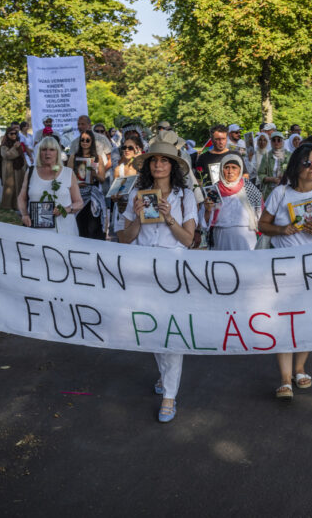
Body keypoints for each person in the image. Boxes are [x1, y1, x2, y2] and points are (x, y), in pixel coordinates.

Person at [117, 131, 198, 423]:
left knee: (172, 331)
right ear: (148, 165)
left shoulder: (185, 196)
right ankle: (165, 377)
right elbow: (124, 239)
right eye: (154, 160)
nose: (159, 165)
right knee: (150, 328)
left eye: (165, 160)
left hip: (172, 271)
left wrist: (169, 218)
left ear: (173, 166)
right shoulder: (136, 196)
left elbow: (188, 240)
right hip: (142, 268)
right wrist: (138, 217)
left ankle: (169, 397)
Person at [258, 144, 312, 401]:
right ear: (297, 166)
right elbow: (262, 224)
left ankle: (300, 369)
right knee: (284, 319)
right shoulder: (281, 193)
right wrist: (282, 231)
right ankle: (284, 380)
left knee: (308, 320)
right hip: (283, 269)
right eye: (308, 163)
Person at [18, 136, 84, 235]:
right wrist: (24, 215)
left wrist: (64, 210)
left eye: (52, 150)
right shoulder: (31, 171)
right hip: (37, 232)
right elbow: (21, 198)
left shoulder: (68, 173)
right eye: (44, 149)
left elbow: (79, 203)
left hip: (64, 231)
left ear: (57, 152)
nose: (47, 153)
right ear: (39, 152)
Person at [200, 154, 262, 250]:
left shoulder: (249, 188)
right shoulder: (214, 190)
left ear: (240, 170)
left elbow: (260, 213)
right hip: (221, 238)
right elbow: (205, 221)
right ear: (221, 169)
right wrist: (208, 210)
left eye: (234, 168)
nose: (230, 172)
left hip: (246, 239)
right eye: (226, 167)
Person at [67, 129, 108, 239]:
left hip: (93, 195)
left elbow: (102, 179)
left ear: (92, 142)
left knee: (93, 226)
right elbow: (67, 176)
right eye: (82, 140)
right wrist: (76, 184)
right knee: (79, 225)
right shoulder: (73, 157)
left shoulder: (97, 158)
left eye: (87, 140)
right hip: (77, 194)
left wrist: (94, 174)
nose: (84, 142)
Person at [110, 135, 143, 239]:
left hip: (137, 212)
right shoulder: (118, 169)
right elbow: (113, 194)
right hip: (122, 211)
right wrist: (115, 196)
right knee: (122, 242)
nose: (127, 150)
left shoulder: (143, 168)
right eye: (124, 147)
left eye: (130, 148)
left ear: (137, 149)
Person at [0, 126, 26, 211]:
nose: (13, 135)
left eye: (15, 133)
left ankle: (17, 205)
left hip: (19, 169)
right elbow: (7, 155)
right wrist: (14, 148)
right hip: (9, 169)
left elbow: (22, 156)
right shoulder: (4, 145)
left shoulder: (18, 143)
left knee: (19, 187)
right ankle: (7, 206)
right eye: (11, 134)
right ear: (7, 134)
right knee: (10, 188)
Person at [257, 132, 287, 200]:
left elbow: (294, 172)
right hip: (270, 191)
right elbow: (260, 173)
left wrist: (285, 176)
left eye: (279, 140)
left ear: (282, 142)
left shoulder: (289, 155)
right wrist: (271, 179)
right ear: (270, 142)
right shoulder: (267, 156)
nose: (276, 142)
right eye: (274, 140)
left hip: (285, 190)